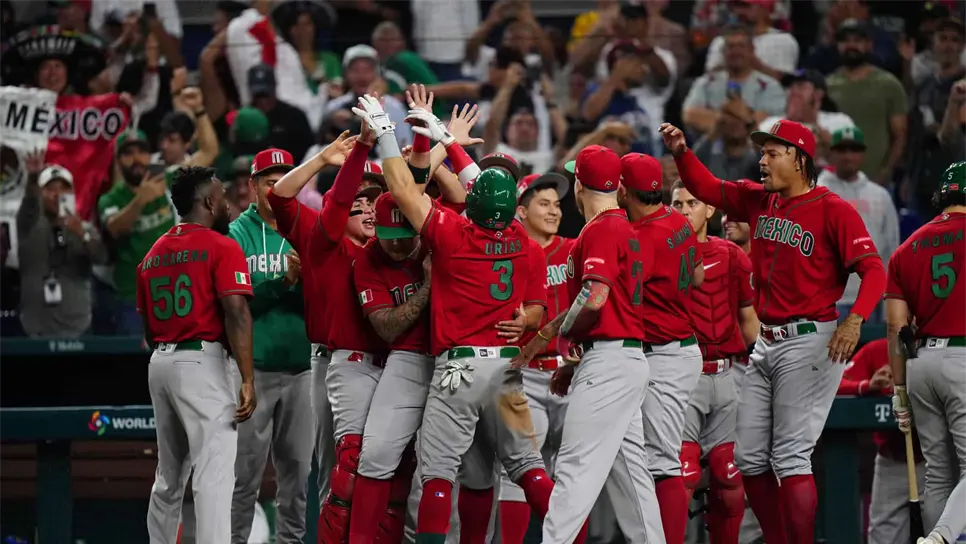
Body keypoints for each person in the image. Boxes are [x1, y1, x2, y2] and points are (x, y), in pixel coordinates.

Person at [661, 119, 887, 544]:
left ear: (800, 159)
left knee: (790, 457)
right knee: (748, 459)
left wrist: (855, 319)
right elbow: (707, 187)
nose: (762, 160)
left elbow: (873, 270)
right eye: (761, 153)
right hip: (766, 341)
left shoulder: (833, 209)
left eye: (772, 153)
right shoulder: (758, 200)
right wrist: (680, 152)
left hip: (810, 338)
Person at [352, 95, 558, 542]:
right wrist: (447, 139)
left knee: (439, 475)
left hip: (460, 368)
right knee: (529, 471)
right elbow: (480, 185)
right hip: (506, 369)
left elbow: (403, 189)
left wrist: (387, 132)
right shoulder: (527, 242)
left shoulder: (452, 232)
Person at [515, 144, 665, 543]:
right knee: (633, 478)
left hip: (609, 363)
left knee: (574, 472)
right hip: (625, 358)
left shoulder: (601, 228)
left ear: (579, 185)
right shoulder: (622, 226)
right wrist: (558, 346)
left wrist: (560, 337)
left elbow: (594, 297)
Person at [265, 126, 383, 543]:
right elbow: (278, 194)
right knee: (337, 472)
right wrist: (323, 159)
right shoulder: (319, 234)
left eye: (377, 200)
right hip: (331, 361)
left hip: (392, 367)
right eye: (361, 200)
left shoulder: (394, 246)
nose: (370, 209)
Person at [137, 165, 257, 544]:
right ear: (208, 202)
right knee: (214, 472)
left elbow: (147, 329)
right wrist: (249, 378)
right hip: (200, 361)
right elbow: (236, 312)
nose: (227, 206)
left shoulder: (153, 252)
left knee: (169, 475)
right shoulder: (222, 245)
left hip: (161, 362)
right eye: (221, 199)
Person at [228, 149, 314, 544]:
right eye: (268, 180)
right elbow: (236, 304)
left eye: (284, 178)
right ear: (252, 186)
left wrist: (305, 282)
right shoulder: (236, 235)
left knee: (297, 476)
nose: (276, 186)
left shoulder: (305, 227)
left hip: (302, 367)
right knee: (244, 476)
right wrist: (282, 282)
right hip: (255, 369)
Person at [621, 153, 704, 544]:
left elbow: (623, 302)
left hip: (666, 353)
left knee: (662, 463)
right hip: (673, 345)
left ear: (623, 189)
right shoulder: (677, 220)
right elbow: (699, 275)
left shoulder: (644, 237)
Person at [671, 181, 760, 544]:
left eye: (692, 202)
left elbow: (748, 320)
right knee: (683, 471)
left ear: (710, 210)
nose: (683, 209)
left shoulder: (733, 255)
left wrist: (762, 367)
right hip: (680, 373)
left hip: (727, 373)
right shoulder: (658, 252)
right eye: (676, 203)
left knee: (729, 473)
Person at [887, 162, 966, 544]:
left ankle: (939, 537)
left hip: (921, 365)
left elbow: (895, 326)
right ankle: (941, 538)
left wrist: (899, 389)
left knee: (938, 473)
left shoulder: (907, 247)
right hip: (963, 359)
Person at [348, 192, 433, 543]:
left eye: (404, 237)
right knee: (375, 454)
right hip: (408, 357)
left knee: (449, 470)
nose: (396, 246)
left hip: (453, 357)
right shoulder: (368, 260)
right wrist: (428, 286)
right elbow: (386, 326)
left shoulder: (437, 236)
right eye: (388, 237)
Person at [497, 172, 574, 544]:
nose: (554, 211)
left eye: (557, 204)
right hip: (524, 374)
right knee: (518, 471)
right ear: (521, 211)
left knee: (570, 474)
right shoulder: (506, 254)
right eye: (544, 204)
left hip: (570, 372)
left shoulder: (575, 250)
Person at [837, 338, 925, 544]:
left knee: (943, 534)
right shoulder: (878, 349)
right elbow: (835, 384)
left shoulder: (941, 349)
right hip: (891, 461)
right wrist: (868, 386)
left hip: (938, 462)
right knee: (882, 537)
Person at [18, 158, 108, 338]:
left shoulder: (84, 228)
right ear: (40, 193)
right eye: (50, 189)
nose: (57, 194)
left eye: (64, 189)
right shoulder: (28, 226)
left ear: (73, 193)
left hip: (78, 327)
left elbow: (101, 258)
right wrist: (33, 178)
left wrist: (82, 234)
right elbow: (29, 206)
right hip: (36, 329)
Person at [98, 129, 175, 335]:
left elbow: (207, 155)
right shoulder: (110, 199)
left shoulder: (168, 183)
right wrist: (141, 199)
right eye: (128, 153)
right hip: (133, 299)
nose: (136, 159)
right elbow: (115, 228)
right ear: (118, 161)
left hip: (173, 294)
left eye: (142, 151)